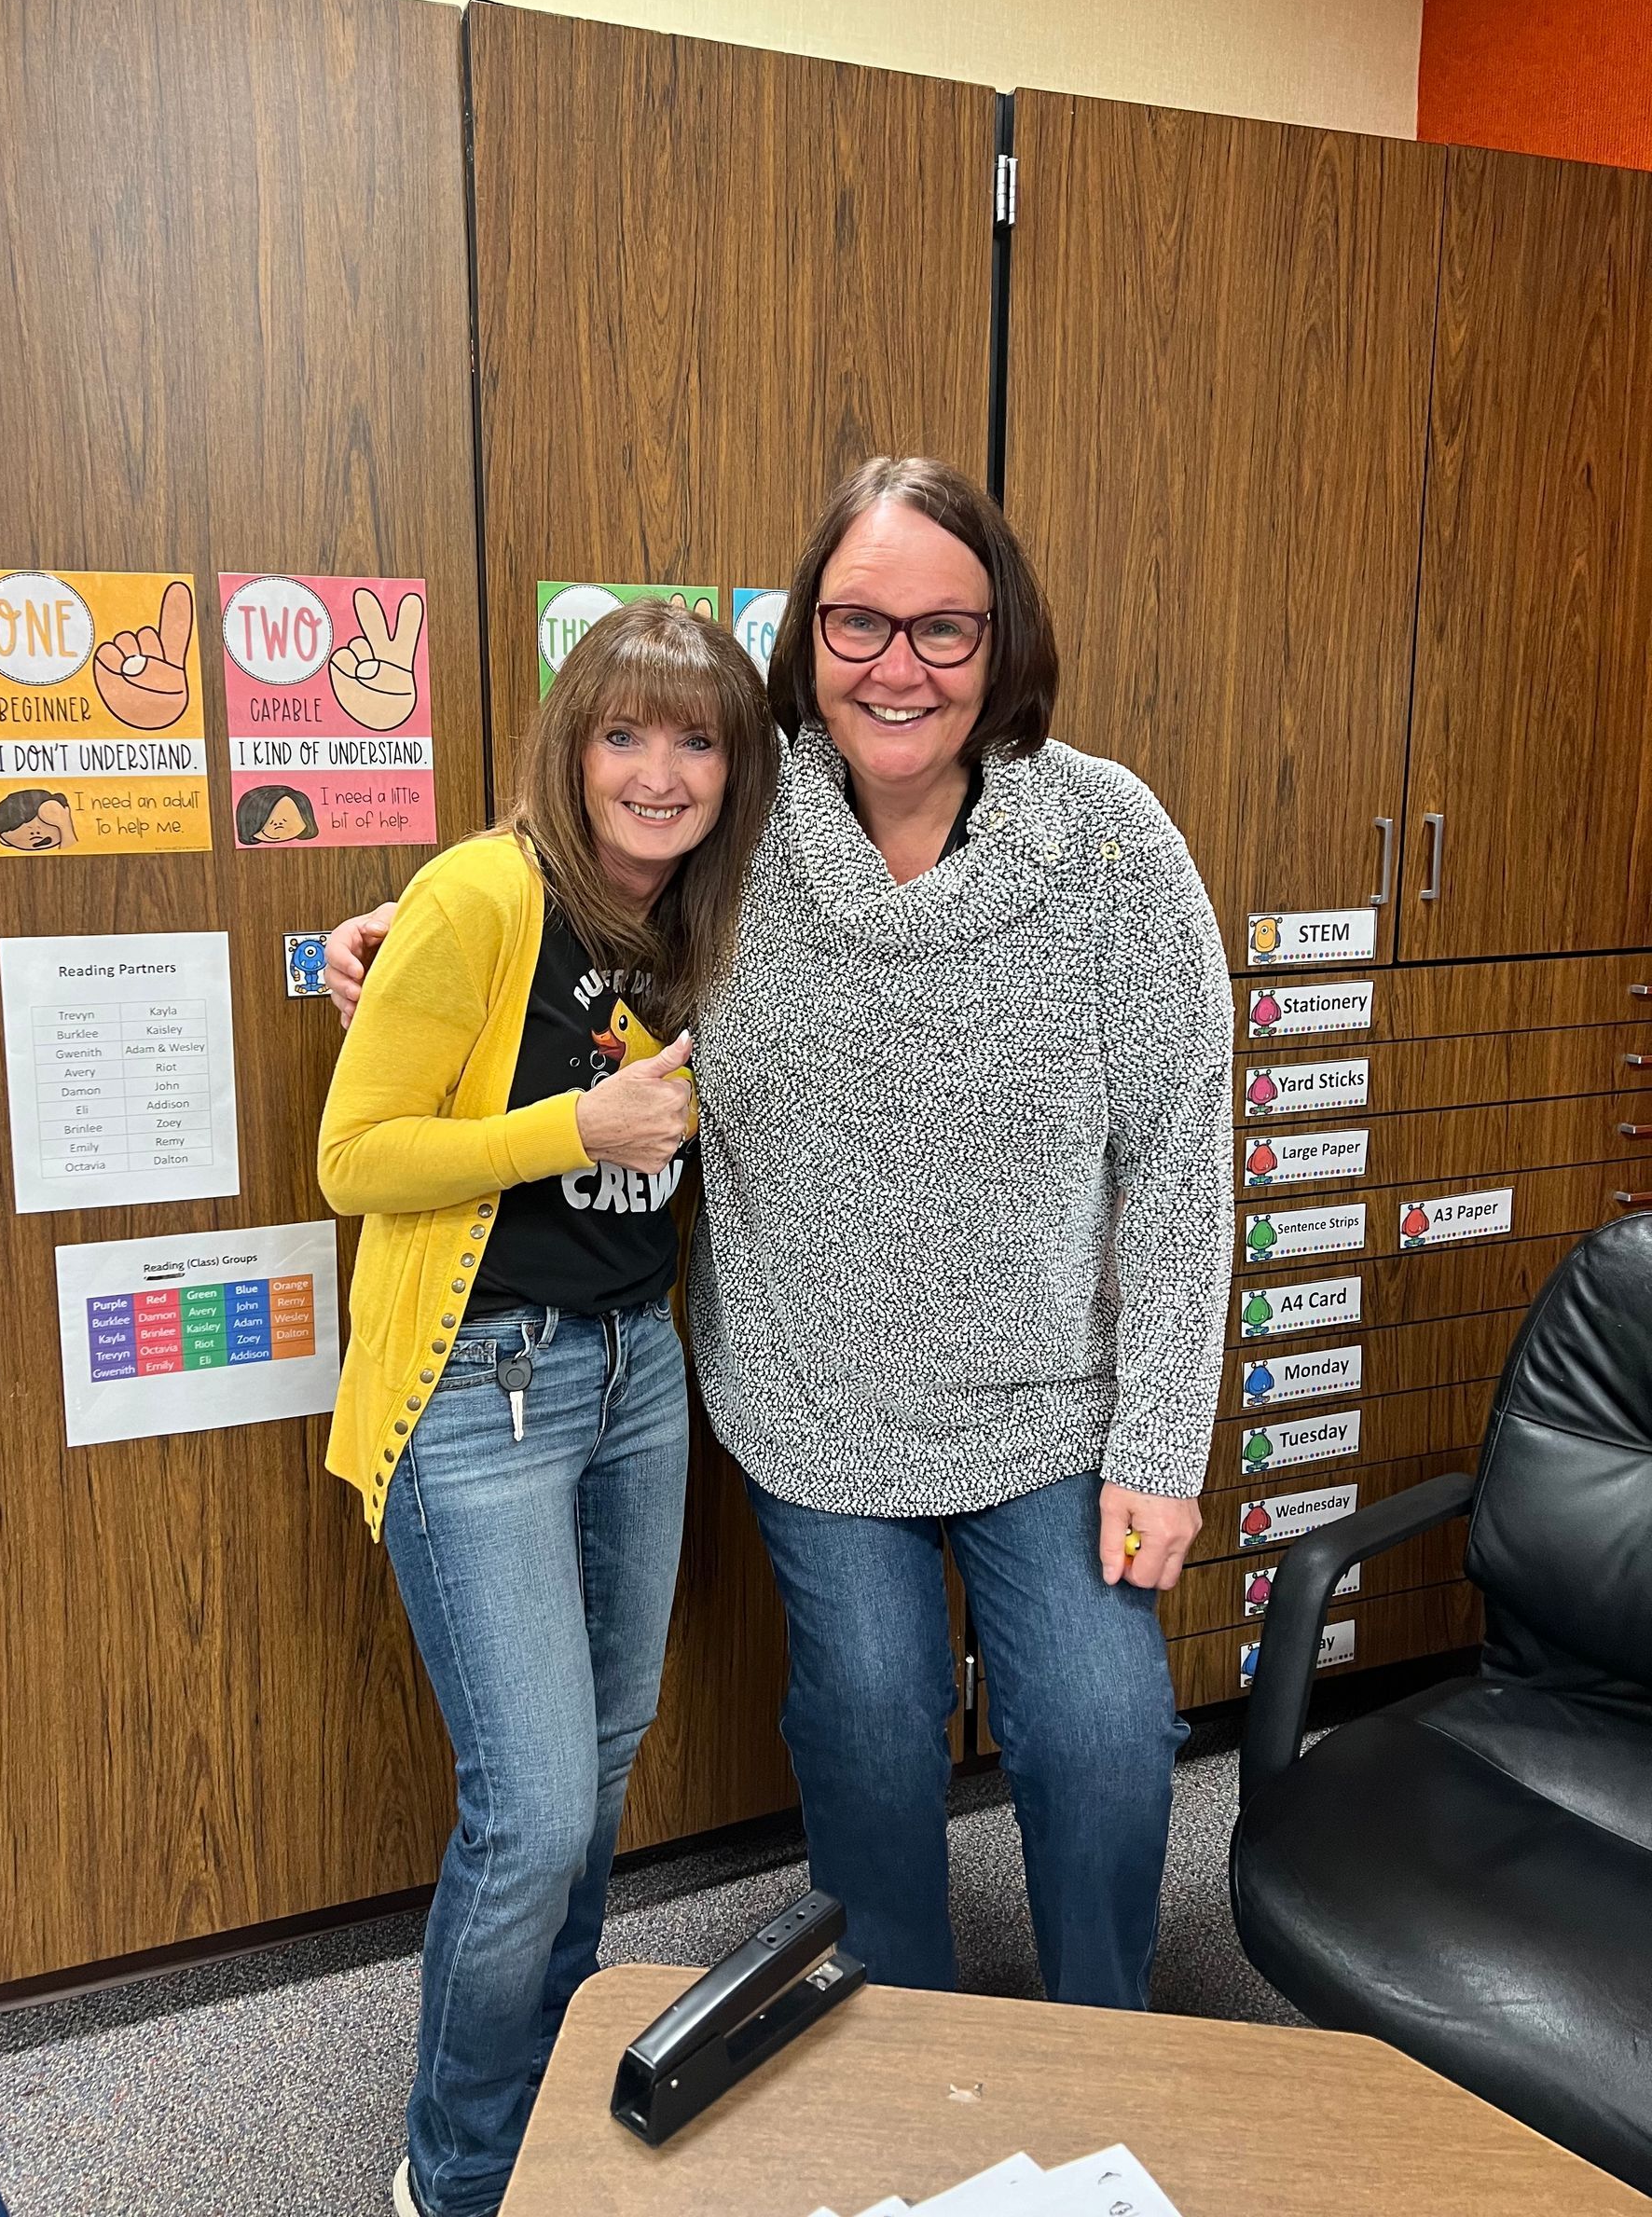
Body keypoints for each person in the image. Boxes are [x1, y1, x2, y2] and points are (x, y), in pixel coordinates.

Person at [325, 457, 1234, 2019]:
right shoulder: (747, 824)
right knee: (868, 1734)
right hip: (810, 1408)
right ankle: (895, 2048)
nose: (899, 665)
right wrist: (407, 933)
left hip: (1052, 1414)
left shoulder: (1109, 845)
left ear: (1002, 639)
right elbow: (580, 872)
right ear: (808, 637)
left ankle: (1108, 2055)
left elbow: (1180, 1156)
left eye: (944, 629)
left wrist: (1164, 1441)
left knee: (1100, 1741)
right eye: (859, 622)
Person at [317, 599, 777, 2217]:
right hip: (479, 1388)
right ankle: (458, 2175)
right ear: (571, 746)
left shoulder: (711, 914)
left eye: (697, 740)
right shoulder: (478, 893)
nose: (659, 774)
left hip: (635, 1373)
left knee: (600, 1764)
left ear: (738, 769)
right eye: (623, 735)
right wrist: (571, 1121)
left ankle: (552, 2107)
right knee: (529, 1813)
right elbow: (354, 1158)